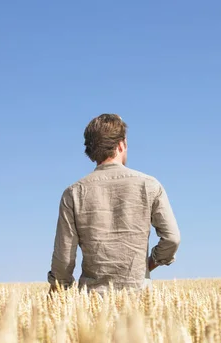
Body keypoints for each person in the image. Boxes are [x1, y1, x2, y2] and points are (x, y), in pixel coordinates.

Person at [48, 114, 180, 294]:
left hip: (91, 304)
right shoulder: (149, 185)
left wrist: (57, 294)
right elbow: (172, 239)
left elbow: (64, 259)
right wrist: (150, 264)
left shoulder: (73, 193)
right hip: (139, 301)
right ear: (122, 144)